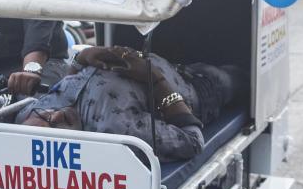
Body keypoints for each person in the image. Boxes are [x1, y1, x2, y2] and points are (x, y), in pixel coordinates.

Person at [17, 46, 245, 162]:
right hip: (200, 86)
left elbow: (71, 80)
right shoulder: (117, 128)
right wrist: (155, 80)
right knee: (242, 74)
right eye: (57, 131)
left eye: (46, 117)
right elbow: (193, 142)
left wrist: (82, 58)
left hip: (161, 56)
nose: (55, 117)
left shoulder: (29, 113)